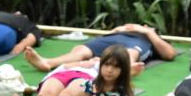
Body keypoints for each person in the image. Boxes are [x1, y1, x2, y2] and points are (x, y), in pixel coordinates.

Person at [25, 23, 177, 72]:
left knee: (129, 52)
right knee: (81, 51)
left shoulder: (148, 36)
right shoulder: (123, 28)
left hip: (134, 42)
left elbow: (170, 54)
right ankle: (48, 63)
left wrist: (147, 31)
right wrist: (118, 29)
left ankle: (127, 67)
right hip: (111, 38)